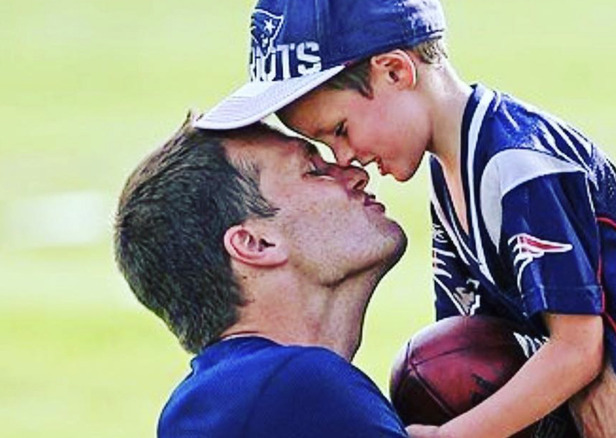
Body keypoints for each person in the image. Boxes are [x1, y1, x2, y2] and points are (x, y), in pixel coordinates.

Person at [193, 1, 616, 437]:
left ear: (396, 72)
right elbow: (471, 341)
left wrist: (452, 436)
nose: (344, 158)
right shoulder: (450, 179)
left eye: (339, 130)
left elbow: (577, 350)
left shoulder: (514, 163)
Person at [113, 112, 410, 437]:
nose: (355, 174)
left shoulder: (224, 398)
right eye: (313, 171)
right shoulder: (300, 387)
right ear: (256, 243)